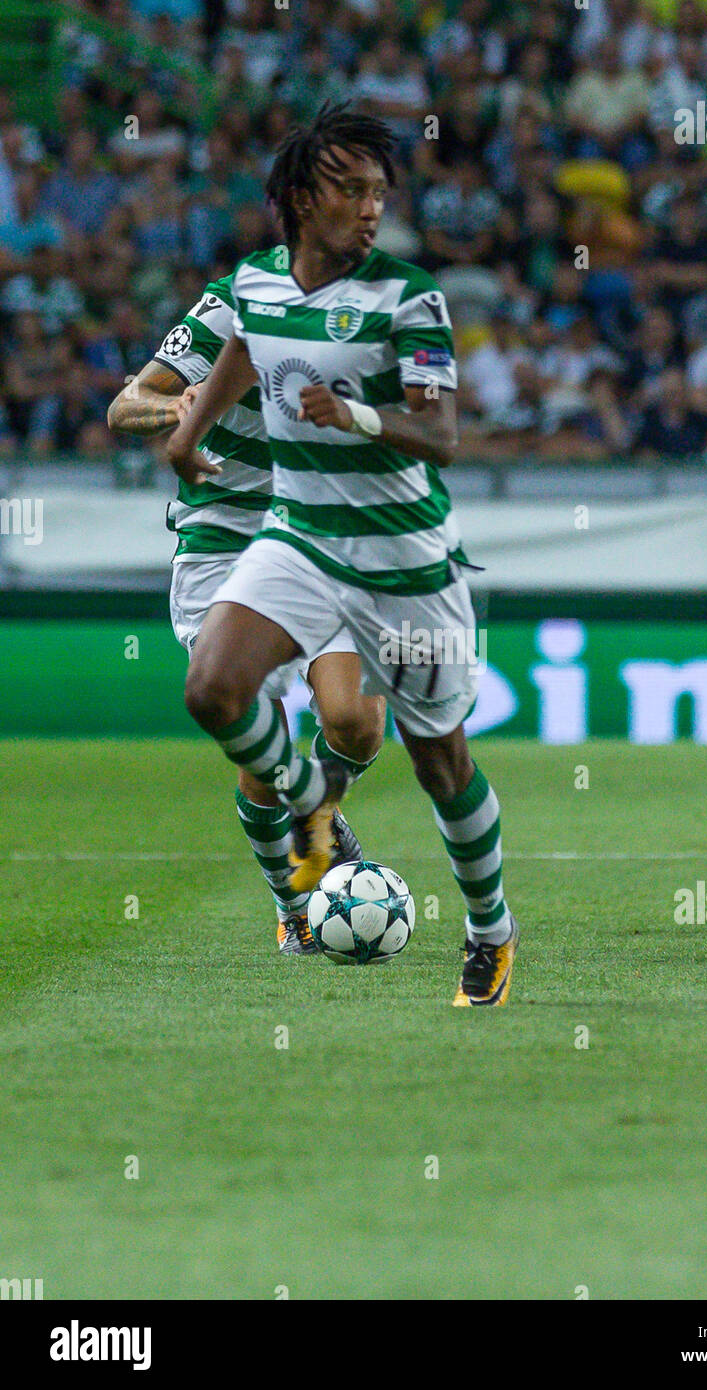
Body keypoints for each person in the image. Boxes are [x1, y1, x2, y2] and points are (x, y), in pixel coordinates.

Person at [165, 103, 518, 1007]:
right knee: (213, 687)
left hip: (405, 557)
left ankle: (490, 930)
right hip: (301, 536)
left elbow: (441, 433)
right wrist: (188, 433)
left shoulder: (409, 298)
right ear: (297, 197)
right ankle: (307, 798)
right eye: (350, 190)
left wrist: (354, 412)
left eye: (378, 193)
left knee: (441, 763)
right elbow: (244, 346)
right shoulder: (256, 282)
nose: (371, 209)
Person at [107, 274, 385, 958]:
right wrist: (177, 413)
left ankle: (314, 813)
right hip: (224, 542)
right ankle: (293, 904)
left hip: (318, 540)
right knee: (262, 739)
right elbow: (125, 407)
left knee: (356, 722)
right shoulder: (226, 307)